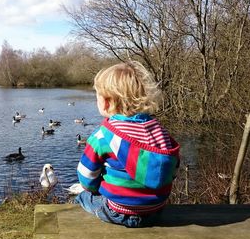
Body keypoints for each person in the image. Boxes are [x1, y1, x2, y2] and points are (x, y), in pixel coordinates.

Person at [75, 61, 180, 228]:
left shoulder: (103, 134)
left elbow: (86, 177)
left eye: (97, 97)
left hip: (118, 212)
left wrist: (94, 189)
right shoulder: (159, 130)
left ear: (107, 102)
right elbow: (172, 170)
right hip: (156, 211)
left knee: (82, 196)